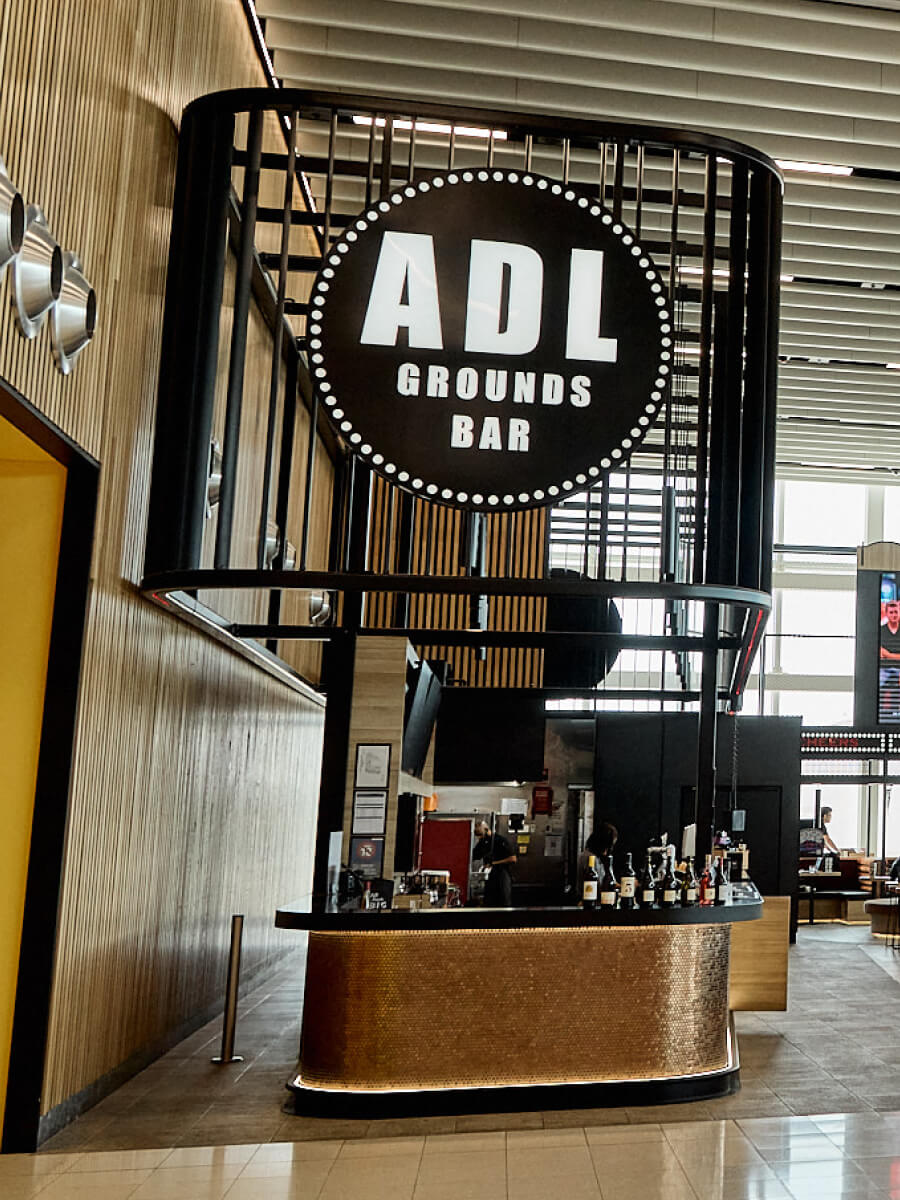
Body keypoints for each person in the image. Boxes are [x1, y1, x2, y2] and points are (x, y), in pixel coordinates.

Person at [472, 819, 517, 906]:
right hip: (490, 876)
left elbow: (513, 859)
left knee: (503, 901)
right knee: (489, 902)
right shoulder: (482, 842)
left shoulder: (500, 840)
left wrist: (494, 863)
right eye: (477, 836)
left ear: (486, 830)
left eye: (480, 835)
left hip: (502, 874)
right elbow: (474, 855)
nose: (479, 838)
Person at [577, 821, 618, 895]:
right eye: (607, 847)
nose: (607, 851)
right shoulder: (590, 858)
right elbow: (601, 887)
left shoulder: (593, 856)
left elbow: (611, 883)